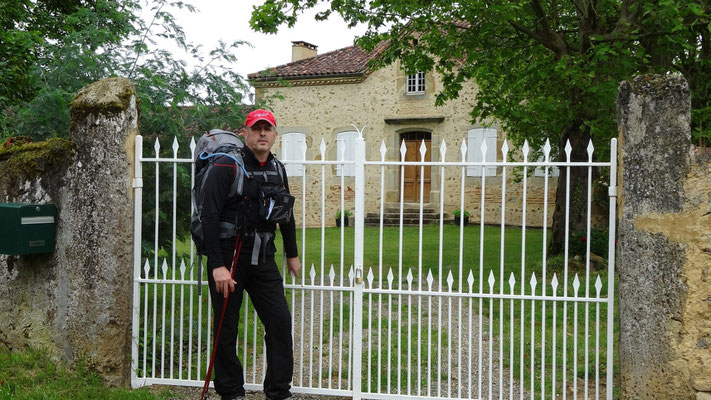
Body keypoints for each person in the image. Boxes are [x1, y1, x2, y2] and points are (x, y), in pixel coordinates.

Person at [201, 109, 301, 400]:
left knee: (280, 322)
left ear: (275, 135)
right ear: (245, 133)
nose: (262, 134)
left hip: (264, 257)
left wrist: (292, 254)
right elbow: (209, 216)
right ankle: (231, 392)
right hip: (229, 257)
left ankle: (279, 391)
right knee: (226, 327)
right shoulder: (226, 165)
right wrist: (218, 266)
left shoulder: (278, 169)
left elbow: (286, 214)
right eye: (256, 129)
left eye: (267, 129)